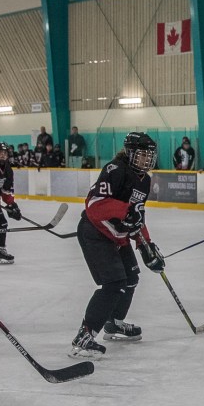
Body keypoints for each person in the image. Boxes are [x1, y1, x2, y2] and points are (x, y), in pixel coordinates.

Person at [69, 131, 164, 358]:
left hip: (117, 237)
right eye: (142, 154)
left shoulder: (145, 180)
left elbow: (137, 215)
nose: (147, 160)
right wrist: (125, 211)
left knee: (131, 278)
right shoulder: (115, 170)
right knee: (114, 283)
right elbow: (95, 204)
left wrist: (146, 245)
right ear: (130, 153)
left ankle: (113, 323)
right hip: (95, 233)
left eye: (149, 155)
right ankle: (84, 336)